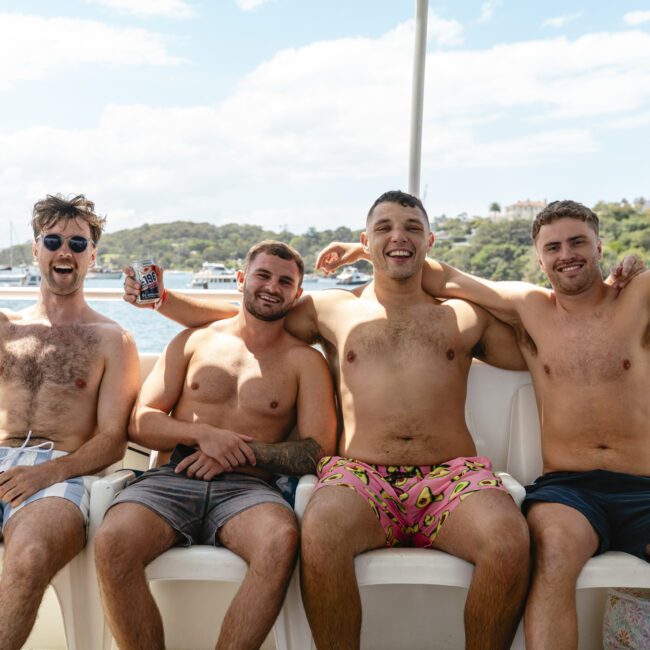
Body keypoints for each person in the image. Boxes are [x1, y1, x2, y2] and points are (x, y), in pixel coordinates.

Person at [123, 192, 531, 650]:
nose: (399, 237)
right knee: (320, 535)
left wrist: (452, 280)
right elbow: (252, 313)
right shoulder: (333, 309)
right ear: (366, 239)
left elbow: (534, 343)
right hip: (362, 474)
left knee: (508, 542)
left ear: (429, 241)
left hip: (450, 474)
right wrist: (163, 301)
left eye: (412, 229)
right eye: (384, 229)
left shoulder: (464, 315)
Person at [318, 199, 650, 649]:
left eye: (577, 242)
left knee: (511, 543)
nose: (566, 254)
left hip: (639, 483)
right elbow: (443, 276)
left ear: (599, 245)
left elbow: (430, 272)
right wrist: (365, 250)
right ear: (539, 259)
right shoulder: (531, 307)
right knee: (551, 551)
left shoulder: (638, 295)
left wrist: (638, 265)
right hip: (572, 488)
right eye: (553, 247)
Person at [96, 240, 337, 650]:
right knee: (112, 541)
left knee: (279, 542)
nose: (272, 287)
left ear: (297, 295)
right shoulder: (194, 341)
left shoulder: (304, 361)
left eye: (285, 281)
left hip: (249, 489)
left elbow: (318, 450)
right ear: (242, 279)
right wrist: (202, 435)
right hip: (173, 478)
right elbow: (141, 421)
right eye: (262, 275)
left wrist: (236, 451)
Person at [0, 194, 140, 650]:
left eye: (78, 244)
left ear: (92, 257)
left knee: (31, 555)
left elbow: (113, 441)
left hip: (61, 470)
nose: (66, 252)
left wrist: (46, 473)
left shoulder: (112, 340)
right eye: (54, 240)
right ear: (35, 251)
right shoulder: (6, 328)